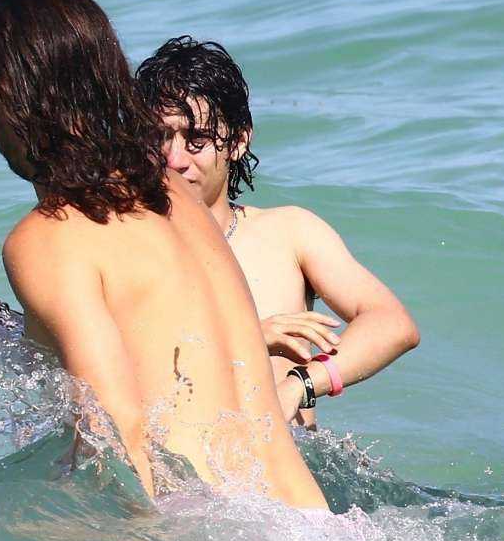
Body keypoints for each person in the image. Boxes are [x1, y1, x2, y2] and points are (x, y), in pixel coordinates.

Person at [0, 0, 327, 508]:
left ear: (10, 96)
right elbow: (160, 357)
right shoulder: (173, 193)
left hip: (216, 534)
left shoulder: (46, 236)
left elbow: (117, 437)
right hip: (314, 523)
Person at [134, 37, 419, 426]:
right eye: (160, 138)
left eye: (196, 140)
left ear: (237, 141)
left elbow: (393, 324)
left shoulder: (289, 233)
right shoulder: (127, 245)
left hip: (297, 452)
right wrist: (252, 340)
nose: (174, 159)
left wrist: (300, 386)